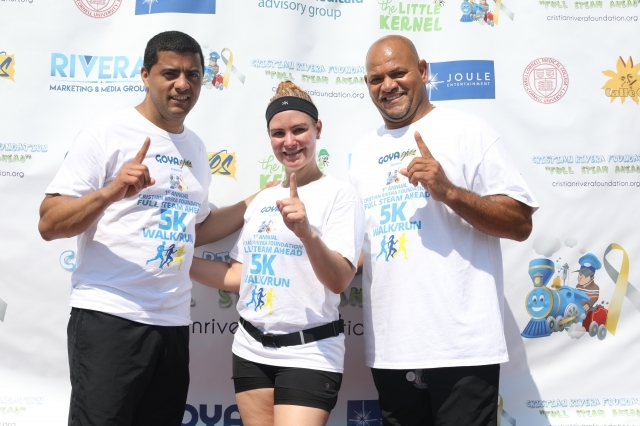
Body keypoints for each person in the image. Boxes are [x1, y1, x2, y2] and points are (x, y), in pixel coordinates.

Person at [38, 31, 258, 426]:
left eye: (192, 75)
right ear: (145, 75)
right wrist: (111, 192)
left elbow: (196, 229)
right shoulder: (107, 133)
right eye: (170, 73)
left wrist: (256, 201)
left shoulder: (196, 149)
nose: (182, 84)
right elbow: (49, 223)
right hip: (110, 318)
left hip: (172, 325)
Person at [349, 35, 539, 426]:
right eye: (376, 79)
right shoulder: (362, 153)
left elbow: (520, 223)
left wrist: (450, 192)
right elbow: (363, 252)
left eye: (398, 73)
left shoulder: (469, 131)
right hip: (391, 351)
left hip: (461, 349)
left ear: (422, 71)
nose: (388, 86)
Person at [190, 80, 364, 426]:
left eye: (299, 130)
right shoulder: (264, 199)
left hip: (310, 352)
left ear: (317, 129)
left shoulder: (340, 195)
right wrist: (179, 259)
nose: (289, 142)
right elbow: (239, 276)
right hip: (250, 349)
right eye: (278, 133)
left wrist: (307, 233)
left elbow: (339, 280)